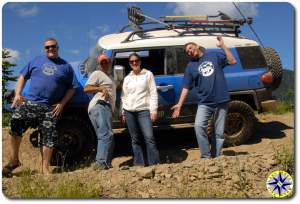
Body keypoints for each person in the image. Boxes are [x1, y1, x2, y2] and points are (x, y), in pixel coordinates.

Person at [3, 38, 78, 176]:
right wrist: (18, 94)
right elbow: (22, 76)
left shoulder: (66, 66)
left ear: (58, 47)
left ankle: (45, 169)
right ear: (44, 49)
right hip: (30, 103)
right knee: (15, 122)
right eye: (47, 47)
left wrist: (62, 103)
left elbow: (72, 88)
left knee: (48, 137)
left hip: (50, 108)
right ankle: (14, 160)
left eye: (53, 46)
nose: (50, 49)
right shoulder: (36, 61)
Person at [171, 36, 237, 158]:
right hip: (204, 102)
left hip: (221, 100)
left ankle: (216, 157)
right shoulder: (190, 66)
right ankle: (206, 157)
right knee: (198, 126)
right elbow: (186, 87)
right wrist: (179, 105)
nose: (189, 51)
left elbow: (233, 61)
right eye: (187, 51)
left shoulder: (213, 55)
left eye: (190, 48)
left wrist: (223, 46)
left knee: (218, 133)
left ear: (196, 45)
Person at [121, 53, 160, 166]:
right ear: (129, 63)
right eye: (131, 61)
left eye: (136, 60)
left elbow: (153, 93)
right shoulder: (127, 78)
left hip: (144, 110)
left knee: (149, 137)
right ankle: (139, 163)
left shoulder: (148, 74)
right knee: (135, 139)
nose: (134, 63)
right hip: (129, 111)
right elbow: (124, 96)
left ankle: (154, 163)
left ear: (140, 61)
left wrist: (154, 110)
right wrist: (123, 112)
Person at [84, 54, 116, 170]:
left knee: (108, 136)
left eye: (106, 62)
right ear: (98, 65)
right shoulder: (97, 74)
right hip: (100, 105)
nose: (104, 64)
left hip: (106, 108)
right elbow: (86, 88)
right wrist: (100, 88)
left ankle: (106, 164)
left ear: (110, 63)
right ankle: (100, 164)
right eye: (101, 62)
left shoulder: (110, 77)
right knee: (105, 134)